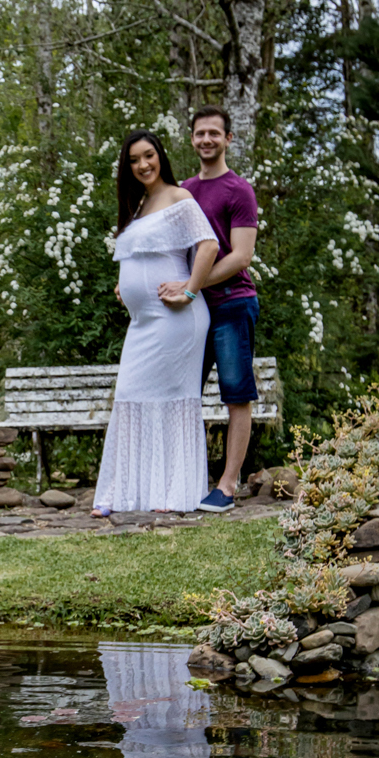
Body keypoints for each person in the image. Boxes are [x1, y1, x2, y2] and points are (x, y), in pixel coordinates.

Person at [92, 130, 218, 515]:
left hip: (176, 318)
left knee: (170, 401)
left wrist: (190, 290)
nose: (143, 165)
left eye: (148, 155)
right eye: (134, 160)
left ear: (160, 155)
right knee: (129, 395)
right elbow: (143, 256)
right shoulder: (138, 206)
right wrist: (126, 285)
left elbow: (209, 245)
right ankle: (120, 494)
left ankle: (171, 493)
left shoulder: (179, 197)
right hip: (143, 322)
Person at [162, 107, 259, 513]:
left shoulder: (239, 190)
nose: (206, 139)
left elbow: (241, 256)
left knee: (237, 395)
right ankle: (183, 481)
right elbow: (172, 251)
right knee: (183, 394)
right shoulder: (183, 190)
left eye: (214, 133)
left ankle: (227, 486)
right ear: (191, 139)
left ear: (228, 139)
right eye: (200, 133)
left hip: (233, 305)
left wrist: (193, 284)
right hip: (193, 310)